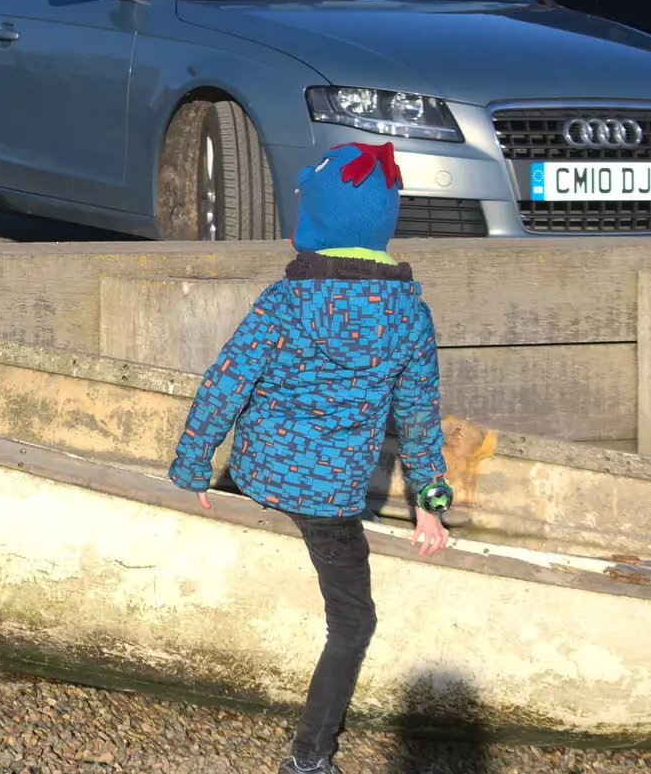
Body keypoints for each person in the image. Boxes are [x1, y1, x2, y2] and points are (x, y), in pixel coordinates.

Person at [167, 141, 451, 774]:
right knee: (352, 622)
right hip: (330, 500)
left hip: (257, 473)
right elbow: (420, 419)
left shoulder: (284, 302)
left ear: (314, 222)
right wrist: (429, 506)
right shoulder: (409, 316)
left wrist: (192, 467)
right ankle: (309, 758)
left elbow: (225, 383)